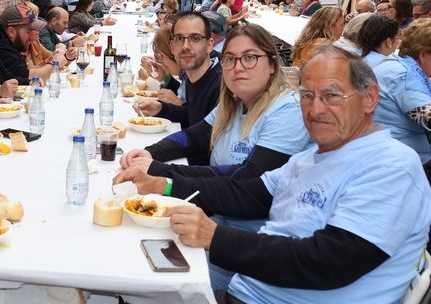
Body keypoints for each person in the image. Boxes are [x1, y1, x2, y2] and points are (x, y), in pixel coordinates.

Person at [134, 45, 431, 304]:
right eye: (307, 96)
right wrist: (166, 183)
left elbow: (330, 261)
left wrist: (216, 237)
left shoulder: (391, 166)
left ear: (370, 98)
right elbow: (247, 193)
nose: (315, 109)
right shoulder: (309, 159)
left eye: (331, 96)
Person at [118, 24, 311, 289]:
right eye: (230, 59)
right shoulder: (234, 103)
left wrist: (162, 173)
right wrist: (149, 152)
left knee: (148, 274)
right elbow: (193, 136)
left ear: (273, 64)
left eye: (250, 57)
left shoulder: (287, 112)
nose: (238, 67)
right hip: (215, 219)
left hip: (250, 246)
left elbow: (247, 177)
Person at [359, 16, 431, 175]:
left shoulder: (399, 65)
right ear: (423, 55)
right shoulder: (404, 75)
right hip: (404, 163)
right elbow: (427, 118)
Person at [135, 12, 222, 128]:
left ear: (209, 45)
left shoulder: (222, 86)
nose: (185, 46)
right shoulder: (194, 77)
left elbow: (204, 133)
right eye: (179, 38)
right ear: (172, 47)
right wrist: (160, 108)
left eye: (195, 38)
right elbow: (190, 116)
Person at [0, 3, 70, 85]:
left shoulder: (14, 40)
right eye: (28, 31)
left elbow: (25, 71)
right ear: (11, 32)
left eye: (36, 29)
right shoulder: (1, 45)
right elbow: (25, 75)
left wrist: (65, 58)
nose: (33, 37)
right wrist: (54, 65)